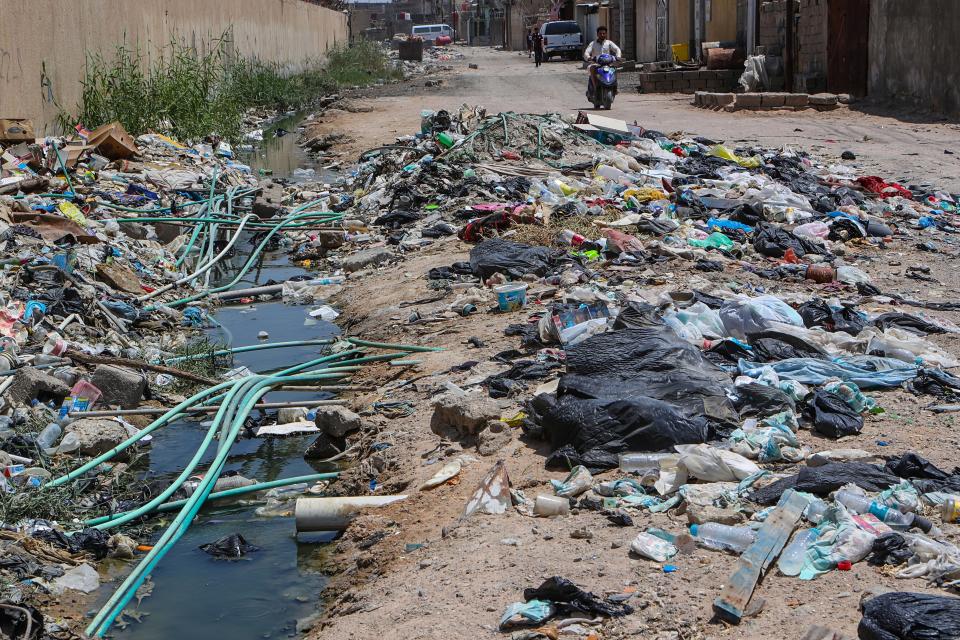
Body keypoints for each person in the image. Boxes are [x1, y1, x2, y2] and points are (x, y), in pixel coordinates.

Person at [583, 26, 622, 90]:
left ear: (606, 34)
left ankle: (615, 87)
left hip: (608, 64)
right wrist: (589, 57)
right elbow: (586, 52)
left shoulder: (609, 43)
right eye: (600, 33)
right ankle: (595, 87)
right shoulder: (593, 43)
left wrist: (618, 57)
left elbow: (617, 49)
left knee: (614, 69)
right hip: (596, 64)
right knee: (592, 69)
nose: (602, 35)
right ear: (597, 34)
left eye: (604, 33)